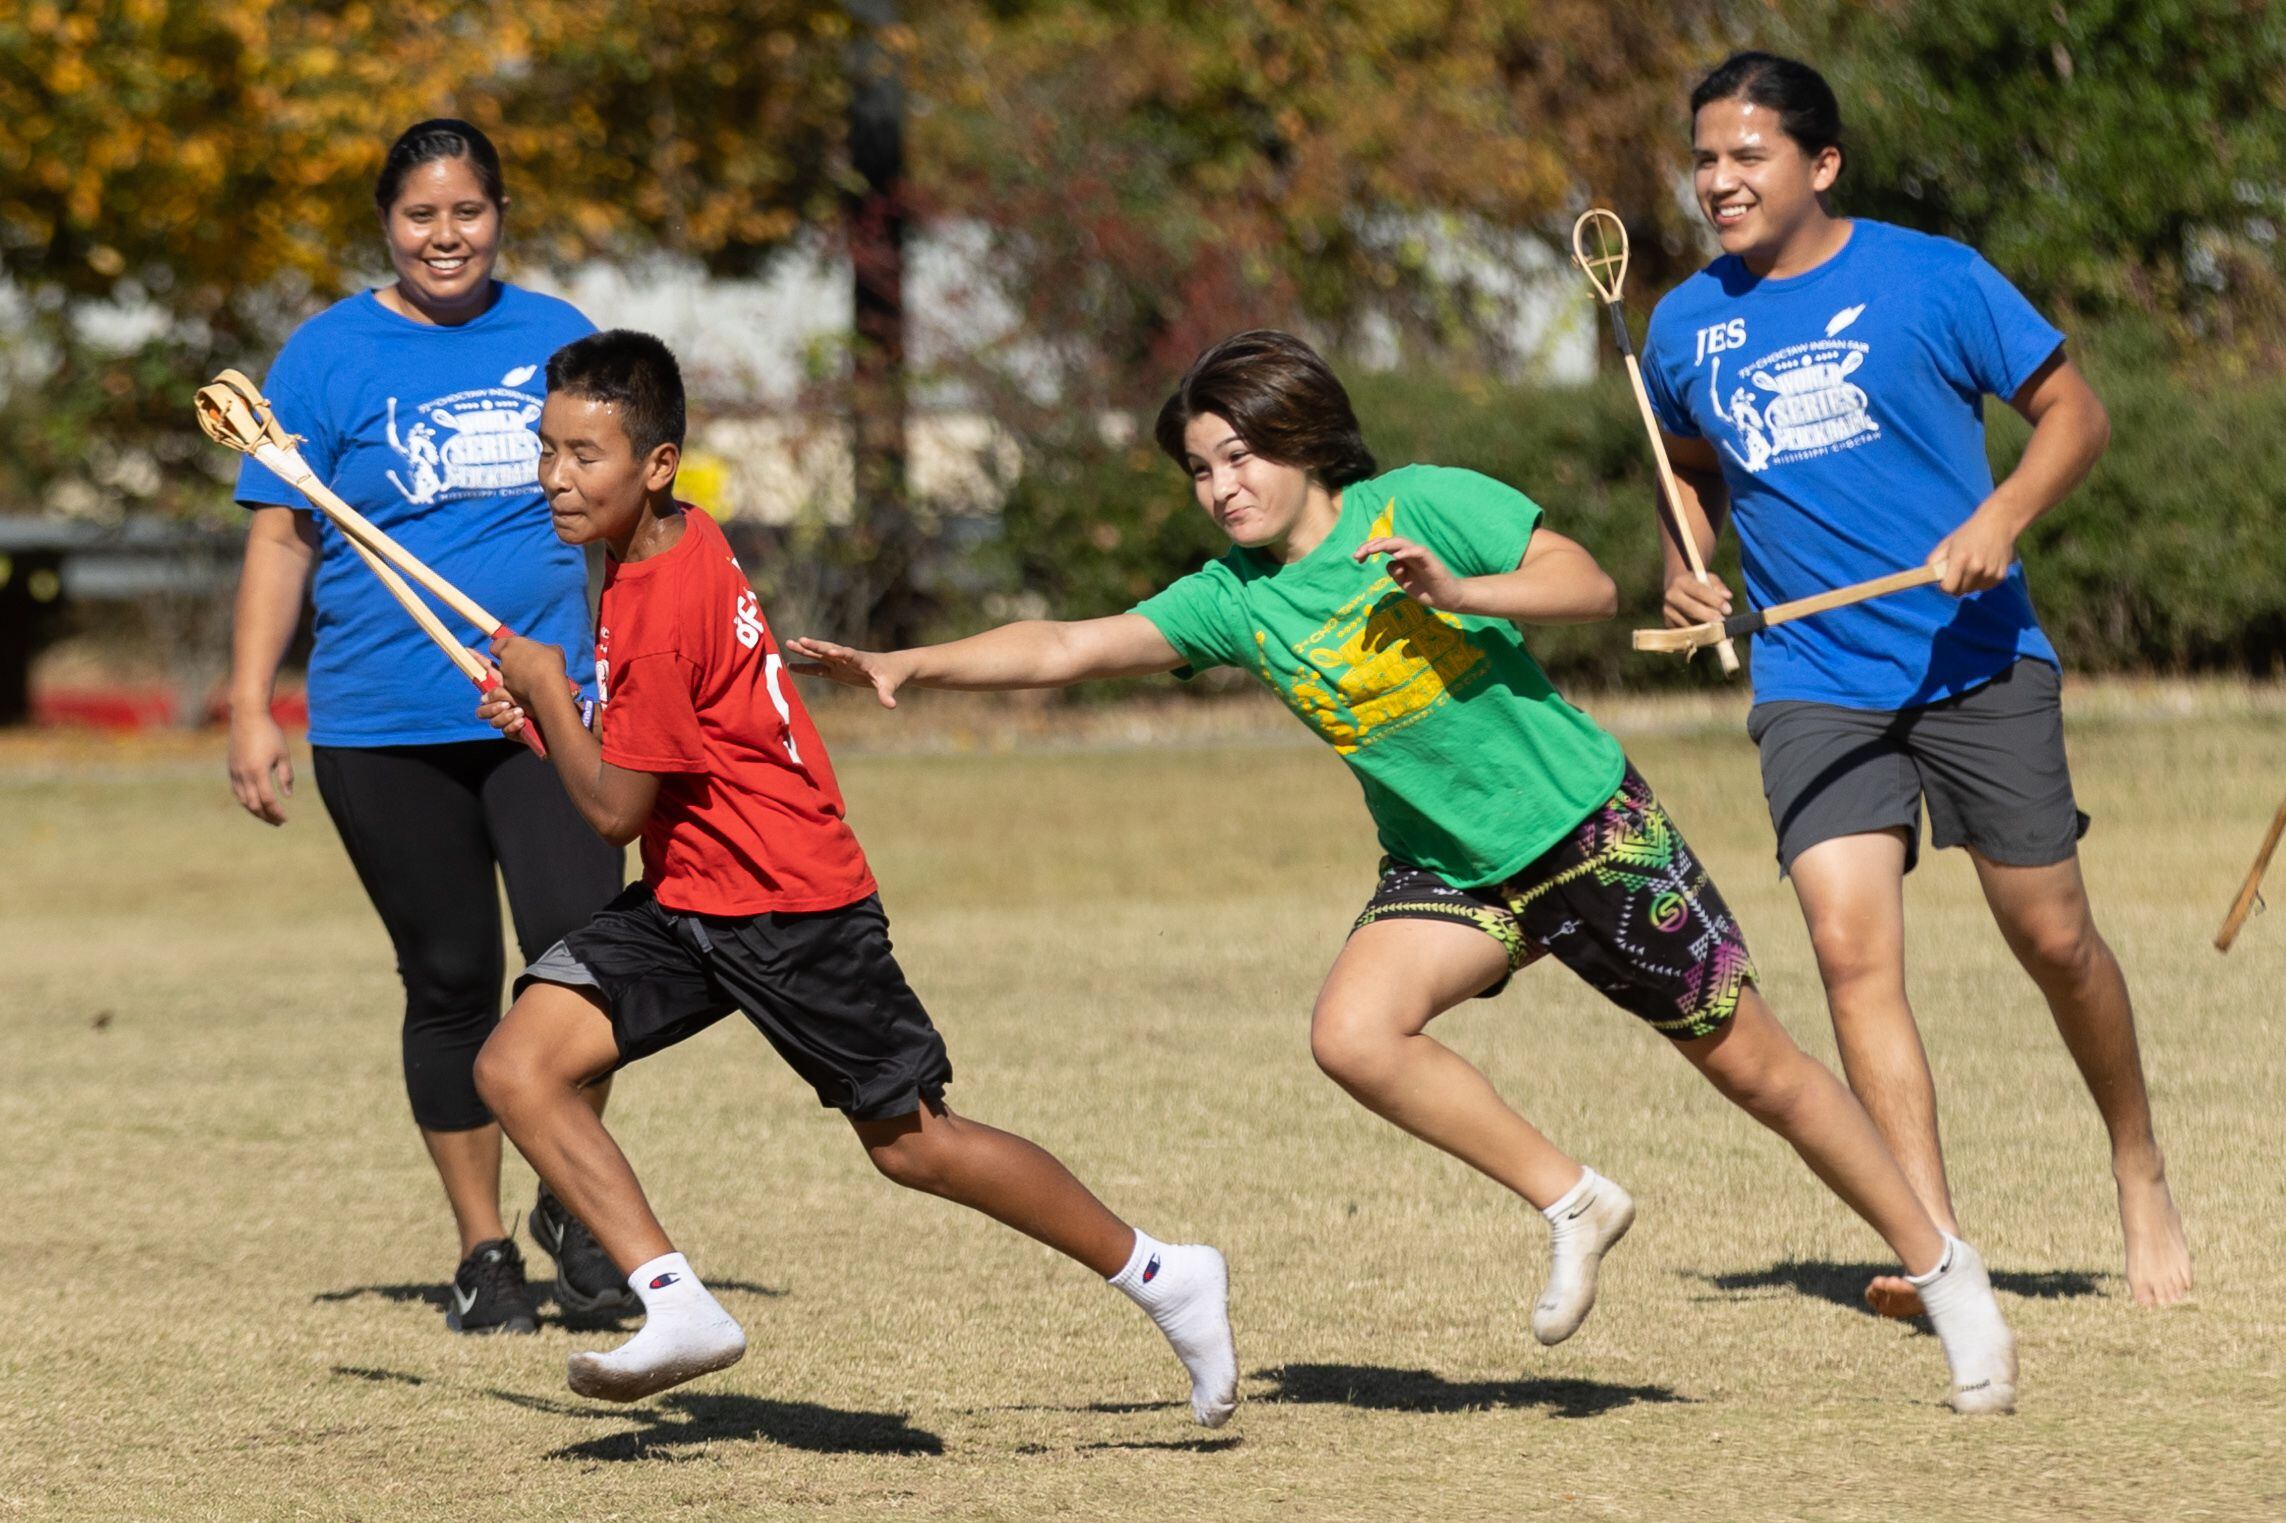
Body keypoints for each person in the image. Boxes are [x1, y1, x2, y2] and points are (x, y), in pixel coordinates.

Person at [791, 328, 2020, 1414]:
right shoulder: (1239, 601)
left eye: (1239, 456)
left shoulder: (1418, 505)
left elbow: (1587, 582)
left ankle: (1943, 1269)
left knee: (1763, 1072)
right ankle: (1575, 1197)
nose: (1221, 487)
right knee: (1353, 1030)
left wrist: (1460, 588)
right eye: (1201, 468)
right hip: (1449, 867)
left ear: (1303, 439)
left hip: (1584, 828)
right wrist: (917, 662)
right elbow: (1069, 642)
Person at [473, 330, 1239, 1422]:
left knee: (915, 1144)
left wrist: (547, 692)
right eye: (546, 449)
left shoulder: (656, 596)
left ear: (657, 464)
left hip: (791, 901)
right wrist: (560, 716)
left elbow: (610, 811)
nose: (556, 476)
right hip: (693, 892)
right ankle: (676, 1299)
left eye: (585, 455)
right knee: (518, 1066)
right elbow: (661, 747)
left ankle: (1165, 1273)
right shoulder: (667, 542)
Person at [1640, 51, 2190, 1316]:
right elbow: (1689, 479)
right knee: (1848, 949)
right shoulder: (1681, 325)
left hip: (1974, 654)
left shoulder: (1932, 276)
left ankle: (2137, 1155)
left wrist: (2003, 513)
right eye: (1705, 159)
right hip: (1811, 669)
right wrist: (1684, 567)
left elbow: (2078, 415)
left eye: (1747, 156)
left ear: (1820, 164)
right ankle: (1938, 1249)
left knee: (2052, 937)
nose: (1719, 181)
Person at [227, 119, 633, 1333]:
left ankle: (577, 1199)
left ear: (501, 214)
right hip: (383, 717)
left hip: (551, 712)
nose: (444, 235)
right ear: (385, 223)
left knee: (589, 962)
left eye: (467, 212)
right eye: (419, 215)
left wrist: (630, 673)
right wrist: (252, 705)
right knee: (449, 978)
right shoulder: (323, 355)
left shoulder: (562, 338)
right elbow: (281, 536)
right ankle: (485, 1248)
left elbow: (618, 517)